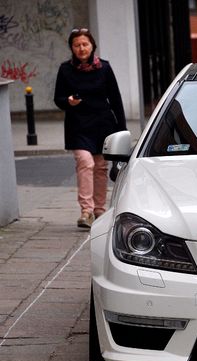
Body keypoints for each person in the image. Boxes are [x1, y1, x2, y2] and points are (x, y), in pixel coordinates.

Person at [54, 28, 126, 228]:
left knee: (101, 167)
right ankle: (86, 211)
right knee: (85, 162)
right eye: (77, 45)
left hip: (103, 124)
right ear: (72, 48)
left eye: (85, 44)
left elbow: (116, 100)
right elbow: (58, 99)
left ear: (92, 45)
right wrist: (68, 101)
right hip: (77, 125)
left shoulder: (104, 68)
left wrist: (122, 131)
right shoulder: (65, 69)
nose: (81, 48)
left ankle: (99, 210)